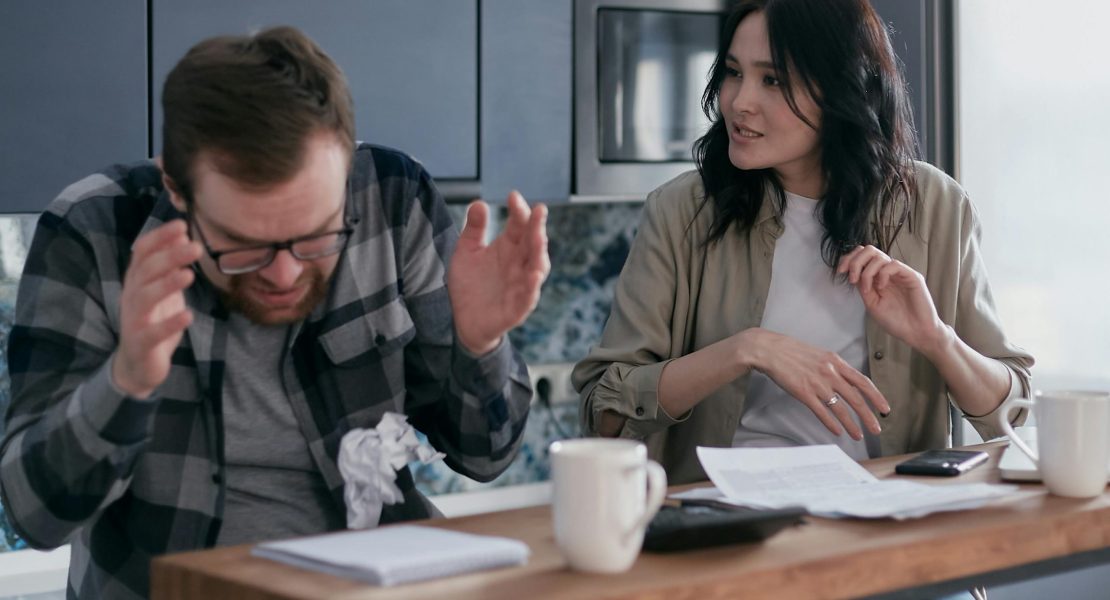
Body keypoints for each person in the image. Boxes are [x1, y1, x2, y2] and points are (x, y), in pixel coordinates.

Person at [0, 26, 548, 599]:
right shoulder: (92, 231)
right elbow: (34, 515)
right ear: (177, 188)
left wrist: (481, 345)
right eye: (245, 245)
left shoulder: (393, 198)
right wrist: (127, 380)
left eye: (316, 236)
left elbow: (486, 456)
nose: (285, 275)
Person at [573, 0, 1033, 485]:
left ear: (842, 91)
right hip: (727, 524)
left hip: (881, 519)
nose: (739, 101)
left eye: (772, 80)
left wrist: (937, 338)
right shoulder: (681, 211)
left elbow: (1012, 411)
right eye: (733, 72)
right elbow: (603, 411)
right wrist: (746, 350)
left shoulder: (934, 205)